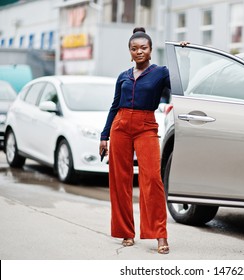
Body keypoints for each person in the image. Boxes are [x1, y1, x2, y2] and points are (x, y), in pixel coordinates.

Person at [100, 27, 184, 254]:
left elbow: (180, 84)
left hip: (146, 126)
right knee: (120, 180)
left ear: (150, 51)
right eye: (134, 48)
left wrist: (181, 56)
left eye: (143, 48)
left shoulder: (161, 73)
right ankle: (126, 231)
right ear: (129, 51)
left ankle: (159, 235)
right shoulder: (123, 76)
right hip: (120, 126)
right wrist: (104, 135)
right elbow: (114, 106)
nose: (139, 52)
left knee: (152, 180)